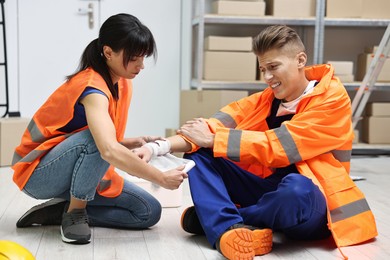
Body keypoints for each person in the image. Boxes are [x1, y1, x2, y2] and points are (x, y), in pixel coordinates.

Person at [134, 25, 378, 259]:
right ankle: (228, 232)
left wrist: (213, 139)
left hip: (315, 199)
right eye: (263, 69)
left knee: (295, 189)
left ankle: (220, 218)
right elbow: (209, 128)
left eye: (273, 66)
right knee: (199, 156)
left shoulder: (332, 99)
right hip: (268, 190)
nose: (268, 77)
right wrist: (156, 147)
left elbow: (281, 146)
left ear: (300, 60)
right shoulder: (264, 100)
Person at [11, 13, 188, 245]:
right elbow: (105, 148)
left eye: (143, 57)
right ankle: (75, 214)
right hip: (37, 174)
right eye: (135, 58)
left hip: (69, 166)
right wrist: (161, 178)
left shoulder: (122, 82)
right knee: (98, 143)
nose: (141, 66)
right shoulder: (92, 88)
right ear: (108, 52)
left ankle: (60, 211)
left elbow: (95, 140)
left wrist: (132, 141)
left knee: (148, 211)